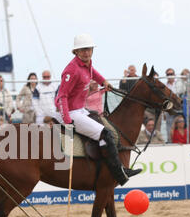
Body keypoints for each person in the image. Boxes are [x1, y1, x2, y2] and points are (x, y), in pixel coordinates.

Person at [54, 33, 141, 185]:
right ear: (76, 52)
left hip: (81, 109)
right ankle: (119, 172)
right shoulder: (71, 70)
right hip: (71, 113)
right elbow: (61, 97)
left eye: (88, 49)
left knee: (106, 124)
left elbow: (93, 72)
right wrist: (67, 120)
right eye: (82, 50)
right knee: (105, 134)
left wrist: (104, 81)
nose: (86, 52)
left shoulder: (87, 64)